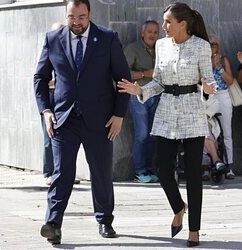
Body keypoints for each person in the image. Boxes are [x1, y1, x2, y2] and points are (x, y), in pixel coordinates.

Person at [118, 2, 216, 247]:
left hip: (193, 113)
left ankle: (194, 231)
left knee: (193, 175)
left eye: (168, 22)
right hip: (166, 114)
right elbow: (159, 82)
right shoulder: (162, 46)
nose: (163, 27)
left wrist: (207, 89)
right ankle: (178, 207)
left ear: (183, 23)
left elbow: (209, 82)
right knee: (162, 170)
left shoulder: (201, 46)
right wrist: (139, 89)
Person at [34, 0, 131, 245]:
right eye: (71, 17)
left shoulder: (107, 38)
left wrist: (119, 115)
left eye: (81, 17)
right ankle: (53, 223)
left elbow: (123, 79)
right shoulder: (52, 38)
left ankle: (105, 220)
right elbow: (40, 78)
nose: (76, 22)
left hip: (101, 120)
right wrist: (45, 110)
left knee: (100, 172)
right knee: (61, 173)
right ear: (65, 15)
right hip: (63, 119)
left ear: (90, 14)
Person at [124, 20, 160, 183]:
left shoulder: (161, 49)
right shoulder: (133, 49)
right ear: (142, 33)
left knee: (153, 135)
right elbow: (122, 73)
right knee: (142, 134)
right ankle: (139, 171)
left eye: (155, 32)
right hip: (138, 96)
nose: (152, 35)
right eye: (149, 32)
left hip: (157, 95)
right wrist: (145, 73)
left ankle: (148, 169)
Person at [208, 34, 235, 179]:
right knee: (206, 131)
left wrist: (218, 67)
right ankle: (207, 165)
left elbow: (230, 81)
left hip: (223, 95)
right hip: (208, 97)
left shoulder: (223, 60)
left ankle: (229, 166)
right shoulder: (203, 60)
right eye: (208, 44)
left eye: (213, 44)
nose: (211, 47)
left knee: (227, 132)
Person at [41, 22, 63, 185]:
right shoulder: (49, 49)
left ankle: (61, 170)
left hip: (63, 98)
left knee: (64, 136)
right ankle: (49, 172)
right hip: (50, 96)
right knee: (49, 134)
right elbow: (41, 78)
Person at [202, 96, 226, 181]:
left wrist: (205, 115)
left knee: (204, 129)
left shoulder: (205, 92)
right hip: (187, 125)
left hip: (206, 123)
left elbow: (216, 103)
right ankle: (216, 159)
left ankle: (210, 164)